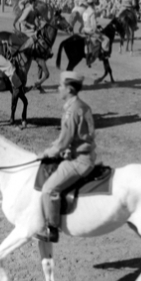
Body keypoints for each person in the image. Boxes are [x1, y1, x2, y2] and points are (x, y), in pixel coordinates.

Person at [36, 71, 96, 243]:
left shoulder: (72, 111)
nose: (58, 88)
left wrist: (46, 153)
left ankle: (52, 229)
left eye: (61, 86)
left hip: (79, 160)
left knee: (49, 189)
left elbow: (63, 142)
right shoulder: (82, 106)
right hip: (85, 154)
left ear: (69, 89)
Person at [80, 0, 109, 66]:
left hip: (84, 29)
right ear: (93, 4)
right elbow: (93, 25)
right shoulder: (92, 12)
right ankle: (104, 55)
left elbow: (85, 21)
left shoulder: (85, 12)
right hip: (91, 31)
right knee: (106, 39)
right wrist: (97, 30)